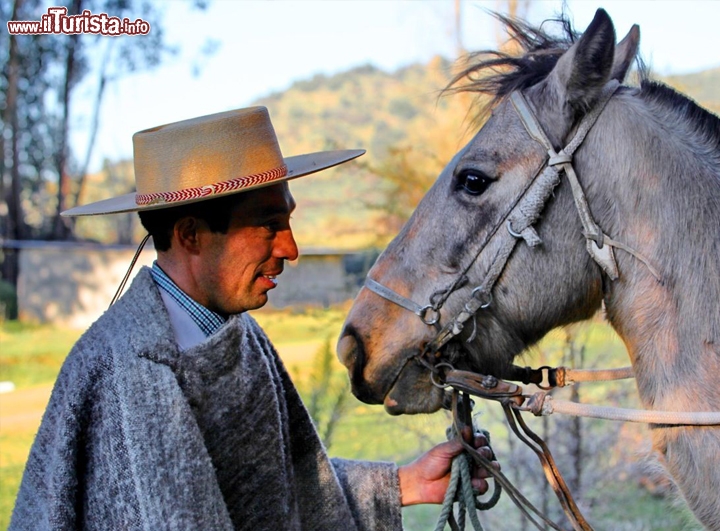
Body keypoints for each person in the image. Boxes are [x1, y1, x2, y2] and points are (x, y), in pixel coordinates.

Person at [11, 107, 496, 530]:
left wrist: (403, 484)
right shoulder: (132, 372)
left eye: (287, 220)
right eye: (268, 225)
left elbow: (277, 489)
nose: (291, 248)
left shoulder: (235, 331)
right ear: (191, 235)